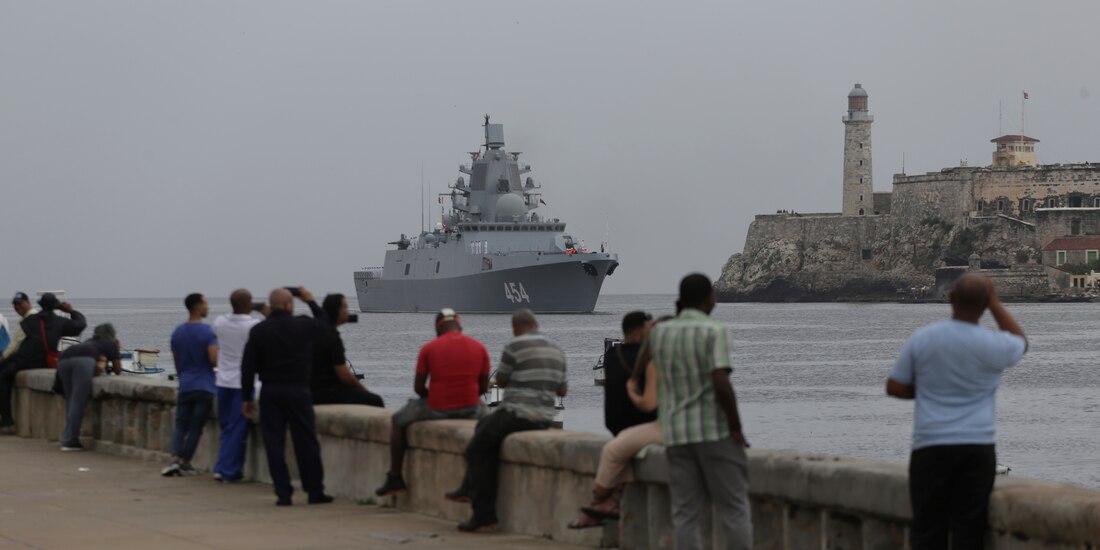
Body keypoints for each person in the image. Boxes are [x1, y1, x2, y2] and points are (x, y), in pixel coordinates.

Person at [887, 274, 1027, 549]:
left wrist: (928, 392)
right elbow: (1021, 342)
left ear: (950, 299)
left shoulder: (923, 338)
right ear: (984, 305)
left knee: (927, 531)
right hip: (977, 448)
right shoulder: (993, 344)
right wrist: (995, 303)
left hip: (931, 447)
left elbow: (895, 386)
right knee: (969, 532)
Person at [650, 273, 751, 550]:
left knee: (684, 513)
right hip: (712, 431)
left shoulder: (659, 333)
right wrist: (736, 427)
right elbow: (721, 382)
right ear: (710, 299)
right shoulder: (714, 331)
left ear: (681, 300)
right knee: (734, 509)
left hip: (676, 433)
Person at [448, 308, 567, 533]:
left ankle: (483, 513)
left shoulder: (514, 346)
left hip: (518, 415)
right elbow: (562, 389)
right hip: (544, 418)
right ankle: (466, 487)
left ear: (515, 329)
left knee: (475, 448)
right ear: (536, 325)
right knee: (483, 426)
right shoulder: (557, 350)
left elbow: (501, 382)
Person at [375, 308, 490, 497]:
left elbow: (418, 387)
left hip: (437, 407)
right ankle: (472, 480)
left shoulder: (428, 348)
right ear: (459, 325)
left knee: (397, 420)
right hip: (471, 408)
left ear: (437, 328)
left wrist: (434, 396)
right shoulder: (480, 348)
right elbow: (484, 388)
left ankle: (395, 476)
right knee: (488, 423)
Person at [241, 287, 334, 506]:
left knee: (274, 444)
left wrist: (247, 397)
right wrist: (310, 300)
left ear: (271, 306)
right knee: (306, 442)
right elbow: (325, 324)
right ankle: (314, 490)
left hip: (271, 392)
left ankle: (283, 493)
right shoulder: (303, 325)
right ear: (289, 305)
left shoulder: (259, 331)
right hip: (298, 390)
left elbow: (248, 368)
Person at [569, 311, 660, 529]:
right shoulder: (649, 359)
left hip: (619, 425)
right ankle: (605, 503)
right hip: (646, 423)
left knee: (617, 451)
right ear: (640, 332)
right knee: (615, 453)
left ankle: (598, 503)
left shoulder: (611, 357)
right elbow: (649, 404)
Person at [0, 293, 86, 434]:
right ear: (56, 306)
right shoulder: (60, 322)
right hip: (42, 361)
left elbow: (20, 340)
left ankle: (7, 420)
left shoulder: (30, 321)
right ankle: (6, 420)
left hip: (24, 359)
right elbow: (81, 324)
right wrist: (70, 311)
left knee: (3, 375)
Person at [161, 293, 218, 477]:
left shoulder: (178, 332)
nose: (208, 307)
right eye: (206, 303)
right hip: (205, 386)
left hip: (186, 384)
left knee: (180, 424)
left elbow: (177, 361)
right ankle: (186, 462)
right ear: (198, 306)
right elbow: (213, 360)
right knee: (195, 427)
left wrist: (183, 377)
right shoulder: (209, 332)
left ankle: (174, 459)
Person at [211, 289, 264, 482]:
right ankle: (228, 470)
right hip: (243, 383)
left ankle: (224, 467)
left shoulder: (219, 322)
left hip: (223, 380)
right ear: (249, 304)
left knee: (226, 427)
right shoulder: (253, 326)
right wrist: (264, 310)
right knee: (237, 428)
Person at [57, 323, 123, 451]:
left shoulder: (90, 341)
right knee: (78, 401)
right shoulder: (110, 343)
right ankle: (69, 442)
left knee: (70, 401)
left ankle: (68, 437)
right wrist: (117, 349)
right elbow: (118, 370)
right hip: (84, 361)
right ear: (112, 334)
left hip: (64, 359)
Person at [311, 293, 384, 407]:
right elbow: (344, 374)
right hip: (326, 392)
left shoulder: (319, 331)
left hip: (314, 389)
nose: (348, 311)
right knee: (376, 400)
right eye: (345, 307)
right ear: (337, 311)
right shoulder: (332, 337)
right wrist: (362, 389)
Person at [1, 292, 37, 362]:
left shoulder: (30, 318)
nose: (17, 306)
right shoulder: (25, 318)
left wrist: (3, 357)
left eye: (20, 303)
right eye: (15, 304)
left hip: (28, 357)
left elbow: (17, 342)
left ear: (28, 302)